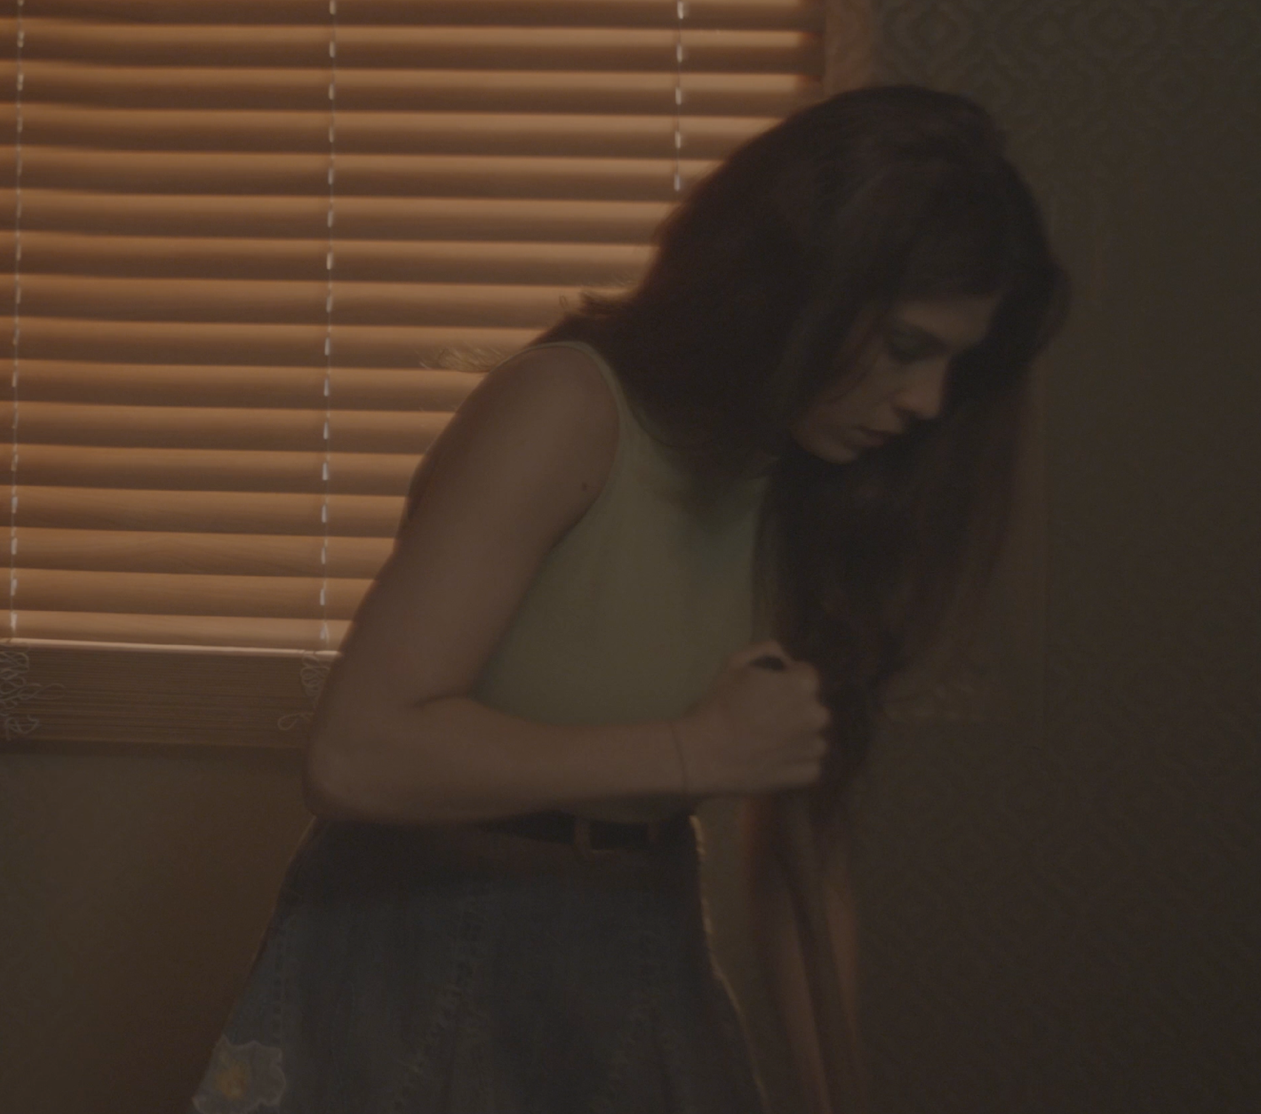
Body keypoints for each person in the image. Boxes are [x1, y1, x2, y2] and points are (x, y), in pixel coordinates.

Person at [189, 86, 1067, 1114]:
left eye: (957, 364)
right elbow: (357, 755)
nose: (928, 402)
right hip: (414, 934)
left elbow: (800, 854)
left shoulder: (815, 479)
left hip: (641, 929)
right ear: (797, 284)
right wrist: (694, 752)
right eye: (909, 348)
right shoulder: (566, 408)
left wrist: (837, 1095)